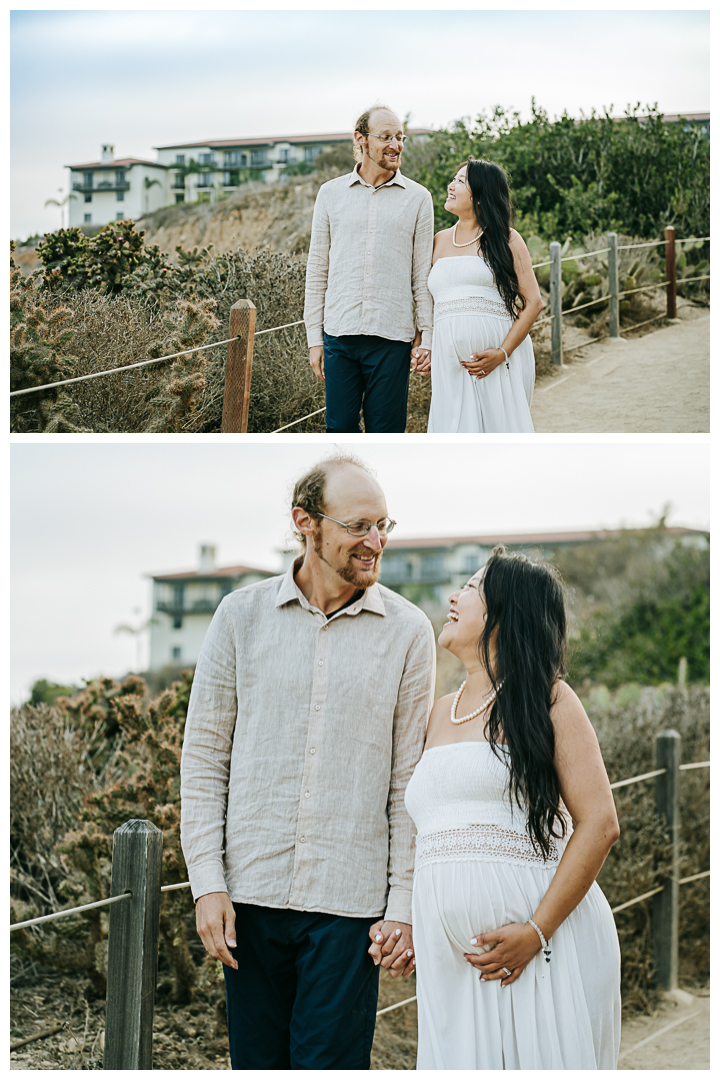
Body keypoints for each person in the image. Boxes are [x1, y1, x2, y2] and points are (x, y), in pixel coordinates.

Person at [180, 453, 436, 1070]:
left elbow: (408, 783)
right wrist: (207, 884)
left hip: (349, 909)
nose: (374, 542)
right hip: (251, 900)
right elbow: (204, 756)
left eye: (383, 525)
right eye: (357, 526)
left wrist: (401, 906)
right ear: (306, 522)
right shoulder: (239, 617)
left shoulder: (408, 631)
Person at [404, 547, 622, 1069]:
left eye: (473, 587)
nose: (454, 597)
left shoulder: (551, 700)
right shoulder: (436, 713)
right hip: (452, 965)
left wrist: (536, 932)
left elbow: (600, 824)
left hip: (542, 951)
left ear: (506, 613)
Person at [304, 105, 434, 433]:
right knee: (339, 428)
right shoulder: (330, 194)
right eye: (386, 137)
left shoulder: (419, 198)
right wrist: (313, 339)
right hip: (339, 335)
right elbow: (318, 267)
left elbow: (422, 275)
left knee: (387, 433)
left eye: (400, 137)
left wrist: (427, 335)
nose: (396, 145)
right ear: (360, 139)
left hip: (392, 338)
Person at [422, 159, 544, 432]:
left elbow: (534, 302)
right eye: (453, 179)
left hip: (499, 359)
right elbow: (425, 302)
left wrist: (502, 353)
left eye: (460, 181)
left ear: (481, 195)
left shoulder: (507, 239)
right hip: (448, 361)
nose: (450, 186)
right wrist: (425, 346)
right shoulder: (437, 241)